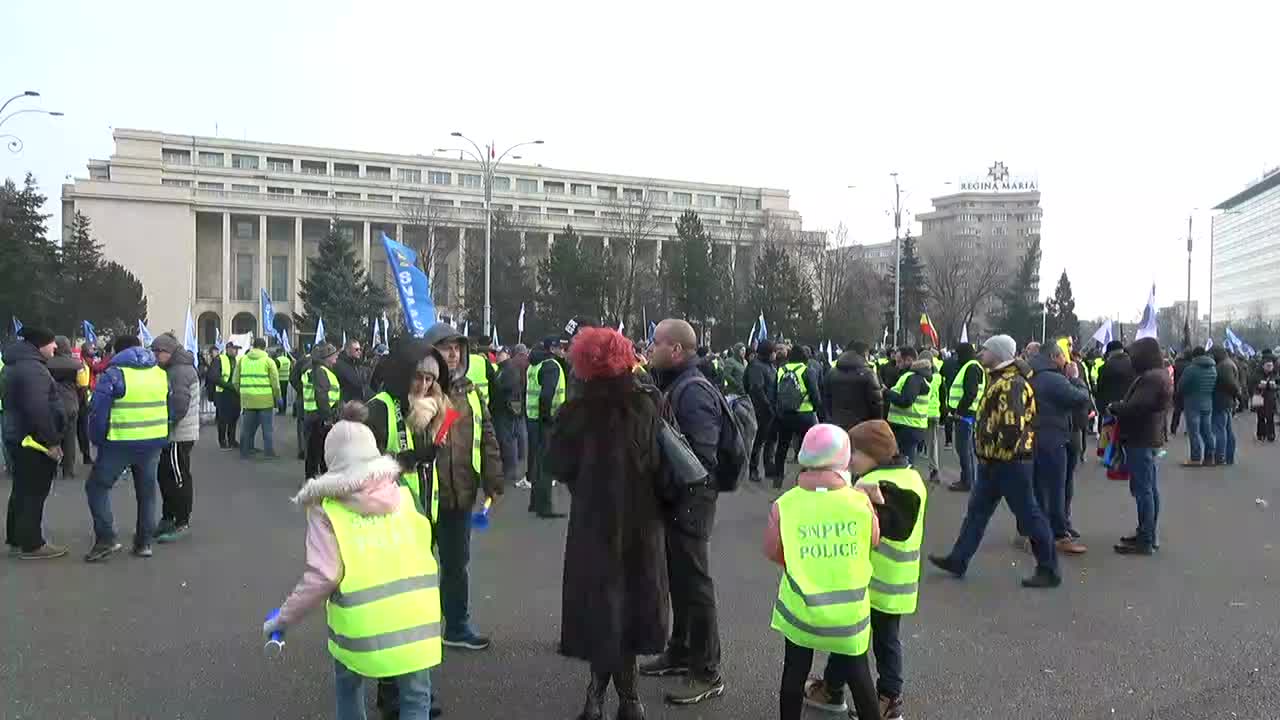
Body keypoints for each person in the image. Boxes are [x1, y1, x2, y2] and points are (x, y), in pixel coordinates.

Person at [266, 402, 441, 720]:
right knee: (417, 697)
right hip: (418, 619)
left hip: (359, 629)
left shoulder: (327, 508)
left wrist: (282, 620)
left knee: (348, 686)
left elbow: (324, 576)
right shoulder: (403, 495)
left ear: (330, 459)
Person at [549, 328, 668, 720]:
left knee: (601, 606)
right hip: (640, 520)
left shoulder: (575, 411)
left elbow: (560, 466)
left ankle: (595, 697)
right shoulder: (648, 404)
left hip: (593, 522)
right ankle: (629, 699)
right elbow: (659, 463)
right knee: (633, 602)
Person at [766, 423, 907, 720]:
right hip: (849, 616)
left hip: (800, 612)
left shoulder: (785, 505)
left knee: (793, 673)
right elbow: (873, 540)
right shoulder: (859, 502)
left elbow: (773, 551)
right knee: (860, 677)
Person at [799, 420, 925, 720]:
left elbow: (895, 525)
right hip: (889, 582)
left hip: (877, 582)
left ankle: (887, 699)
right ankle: (834, 687)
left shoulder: (883, 484)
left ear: (873, 454)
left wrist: (861, 498)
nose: (848, 459)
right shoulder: (910, 477)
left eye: (853, 453)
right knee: (858, 639)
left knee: (878, 642)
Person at [928, 335, 1061, 588]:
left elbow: (1012, 426)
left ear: (998, 353)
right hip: (995, 461)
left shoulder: (1011, 384)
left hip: (1009, 462)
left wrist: (995, 452)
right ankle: (959, 559)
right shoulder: (999, 379)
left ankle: (1049, 568)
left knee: (1029, 515)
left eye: (986, 349)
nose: (981, 352)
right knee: (976, 513)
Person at [365, 338, 451, 720]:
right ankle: (395, 696)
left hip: (421, 531)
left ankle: (412, 693)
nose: (425, 387)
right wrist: (405, 461)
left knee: (417, 616)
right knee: (393, 618)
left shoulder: (430, 411)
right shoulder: (378, 410)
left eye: (432, 380)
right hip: (386, 532)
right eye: (418, 378)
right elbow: (354, 473)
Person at [640, 319, 725, 706]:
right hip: (676, 500)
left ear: (676, 350)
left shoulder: (693, 392)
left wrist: (671, 486)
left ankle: (707, 671)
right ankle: (680, 650)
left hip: (691, 502)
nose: (649, 346)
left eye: (655, 342)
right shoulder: (673, 383)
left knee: (695, 584)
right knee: (678, 579)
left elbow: (700, 461)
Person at [423, 322, 503, 651]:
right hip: (424, 498)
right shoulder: (419, 389)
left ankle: (456, 627)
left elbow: (487, 436)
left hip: (461, 495)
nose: (453, 353)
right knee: (418, 568)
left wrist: (493, 479)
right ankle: (418, 630)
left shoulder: (470, 390)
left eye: (457, 347)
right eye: (445, 347)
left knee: (457, 565)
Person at [84, 335, 169, 561]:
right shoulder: (160, 373)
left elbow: (98, 413)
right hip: (153, 440)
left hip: (119, 441)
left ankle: (106, 539)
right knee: (147, 492)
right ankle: (144, 543)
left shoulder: (114, 374)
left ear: (117, 351)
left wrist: (98, 440)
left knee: (97, 487)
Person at [3, 326, 68, 559]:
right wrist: (51, 441)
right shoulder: (33, 369)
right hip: (33, 441)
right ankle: (32, 544)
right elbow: (38, 409)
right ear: (40, 344)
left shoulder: (18, 363)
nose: (56, 347)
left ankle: (17, 538)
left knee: (21, 489)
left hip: (18, 435)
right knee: (34, 491)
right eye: (52, 343)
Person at [1109, 337, 1173, 555]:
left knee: (1144, 490)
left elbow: (1136, 407)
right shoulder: (1158, 375)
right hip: (1148, 436)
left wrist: (1116, 407)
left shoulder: (1151, 378)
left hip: (1140, 438)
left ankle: (1146, 538)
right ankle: (1147, 534)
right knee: (1149, 488)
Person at [1029, 339, 1092, 554]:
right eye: (1062, 355)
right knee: (1057, 488)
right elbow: (1081, 399)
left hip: (1035, 437)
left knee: (1039, 488)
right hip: (1054, 438)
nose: (1065, 359)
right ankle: (1059, 535)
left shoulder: (1032, 373)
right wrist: (1076, 379)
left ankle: (1037, 532)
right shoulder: (1053, 379)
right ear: (1054, 357)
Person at [150, 333, 200, 543]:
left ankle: (181, 521)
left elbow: (179, 405)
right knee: (166, 476)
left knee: (178, 478)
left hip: (179, 434)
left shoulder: (179, 372)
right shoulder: (175, 369)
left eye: (157, 352)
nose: (154, 356)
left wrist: (167, 423)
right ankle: (168, 517)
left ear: (168, 352)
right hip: (175, 434)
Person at [771, 345, 824, 489]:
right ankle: (806, 478)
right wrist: (818, 409)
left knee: (782, 447)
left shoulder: (781, 370)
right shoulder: (807, 371)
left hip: (785, 415)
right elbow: (815, 395)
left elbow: (774, 394)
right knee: (808, 447)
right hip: (804, 415)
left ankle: (777, 480)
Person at [526, 336, 568, 515]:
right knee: (546, 464)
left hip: (532, 417)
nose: (562, 350)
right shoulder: (551, 365)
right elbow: (546, 395)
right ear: (552, 348)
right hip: (546, 420)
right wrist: (549, 418)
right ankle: (545, 507)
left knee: (537, 461)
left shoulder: (535, 363)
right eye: (560, 347)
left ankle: (534, 503)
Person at [945, 342, 985, 493]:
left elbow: (970, 392)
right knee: (965, 448)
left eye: (958, 354)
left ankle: (967, 481)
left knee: (963, 449)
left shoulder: (971, 368)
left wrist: (959, 411)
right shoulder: (973, 366)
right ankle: (968, 479)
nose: (956, 357)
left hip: (965, 415)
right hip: (968, 414)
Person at [884, 347, 932, 467]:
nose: (897, 365)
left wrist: (886, 392)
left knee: (905, 465)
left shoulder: (913, 377)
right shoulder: (916, 376)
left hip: (907, 427)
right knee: (906, 462)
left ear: (909, 360)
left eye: (899, 361)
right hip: (910, 426)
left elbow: (906, 401)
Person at [234, 337, 281, 458]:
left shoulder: (242, 360)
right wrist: (277, 397)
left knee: (247, 428)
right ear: (264, 347)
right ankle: (269, 453)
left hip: (247, 400)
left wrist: (242, 393)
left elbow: (235, 381)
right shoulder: (268, 361)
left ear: (253, 346)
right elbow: (275, 383)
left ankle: (245, 451)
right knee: (267, 429)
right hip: (265, 400)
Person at [823, 340, 884, 430]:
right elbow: (876, 403)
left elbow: (826, 399)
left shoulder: (832, 372)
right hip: (862, 426)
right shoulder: (868, 374)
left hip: (837, 425)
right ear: (863, 354)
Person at [493, 343, 530, 489]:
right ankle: (507, 468)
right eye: (497, 354)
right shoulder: (502, 369)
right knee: (505, 439)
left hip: (506, 410)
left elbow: (511, 388)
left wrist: (509, 404)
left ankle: (510, 470)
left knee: (508, 439)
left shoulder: (509, 369)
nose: (497, 356)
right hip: (502, 410)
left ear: (507, 354)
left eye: (500, 354)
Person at [303, 343, 341, 480]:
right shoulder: (321, 371)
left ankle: (313, 477)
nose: (336, 359)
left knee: (314, 449)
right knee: (320, 450)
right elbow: (322, 395)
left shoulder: (313, 369)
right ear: (327, 357)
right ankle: (318, 479)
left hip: (312, 414)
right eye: (334, 356)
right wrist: (327, 418)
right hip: (319, 415)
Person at [47, 336, 83, 479]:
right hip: (71, 404)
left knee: (52, 437)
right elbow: (82, 384)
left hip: (51, 404)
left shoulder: (46, 363)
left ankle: (52, 469)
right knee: (69, 438)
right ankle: (68, 470)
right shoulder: (77, 364)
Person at [744, 339, 778, 484]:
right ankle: (753, 469)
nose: (775, 354)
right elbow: (756, 389)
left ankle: (769, 468)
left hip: (772, 409)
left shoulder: (770, 366)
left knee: (771, 440)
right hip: (761, 410)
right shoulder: (756, 367)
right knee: (758, 441)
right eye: (774, 352)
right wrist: (767, 406)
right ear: (768, 353)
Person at [1176, 347, 1217, 466]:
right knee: (1207, 431)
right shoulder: (1213, 368)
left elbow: (1181, 386)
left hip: (1192, 403)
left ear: (1194, 357)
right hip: (1207, 402)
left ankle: (1195, 458)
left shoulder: (1191, 369)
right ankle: (1210, 457)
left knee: (1194, 432)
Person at [1095, 340, 1135, 458]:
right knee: (1128, 432)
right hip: (1130, 404)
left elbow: (1100, 390)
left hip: (1110, 407)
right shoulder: (1133, 364)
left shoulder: (1105, 367)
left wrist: (1101, 408)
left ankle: (1112, 456)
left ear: (1110, 353)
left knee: (1111, 434)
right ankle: (1127, 454)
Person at [1211, 346, 1243, 466]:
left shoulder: (1224, 366)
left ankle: (1220, 456)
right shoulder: (1229, 363)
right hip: (1227, 401)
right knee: (1227, 430)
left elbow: (1230, 384)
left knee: (1220, 430)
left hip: (1221, 400)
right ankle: (1228, 456)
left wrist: (1237, 394)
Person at [208, 340, 241, 448]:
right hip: (223, 393)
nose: (236, 351)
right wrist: (229, 386)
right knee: (223, 419)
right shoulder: (219, 359)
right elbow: (214, 377)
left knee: (234, 417)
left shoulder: (238, 360)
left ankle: (232, 440)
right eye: (234, 349)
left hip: (235, 393)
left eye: (237, 349)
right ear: (228, 349)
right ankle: (222, 441)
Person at [920, 349, 945, 484]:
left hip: (919, 412)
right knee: (933, 444)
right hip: (934, 412)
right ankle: (934, 470)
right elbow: (943, 394)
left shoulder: (918, 375)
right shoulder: (938, 376)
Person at [335, 339, 370, 404]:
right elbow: (355, 383)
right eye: (356, 350)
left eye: (360, 349)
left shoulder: (356, 364)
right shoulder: (340, 365)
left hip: (355, 402)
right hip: (346, 403)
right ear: (348, 350)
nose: (359, 352)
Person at [1254, 355, 1278, 442]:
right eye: (1268, 366)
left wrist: (1275, 386)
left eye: (1271, 366)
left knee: (1270, 416)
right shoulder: (1257, 374)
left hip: (1270, 397)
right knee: (1260, 416)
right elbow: (1252, 384)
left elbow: (1277, 384)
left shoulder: (1274, 374)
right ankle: (1261, 434)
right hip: (1259, 396)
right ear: (1263, 366)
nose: (1269, 368)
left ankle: (1271, 434)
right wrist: (1258, 386)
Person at [1170, 349, 1191, 435]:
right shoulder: (1191, 366)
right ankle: (1188, 429)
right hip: (1188, 391)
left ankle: (1173, 428)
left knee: (1177, 411)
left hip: (1177, 390)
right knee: (1188, 412)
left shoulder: (1176, 365)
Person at [274, 346, 293, 415]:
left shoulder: (278, 360)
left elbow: (274, 370)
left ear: (278, 353)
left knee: (279, 395)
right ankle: (284, 409)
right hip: (286, 379)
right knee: (284, 395)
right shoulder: (287, 360)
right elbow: (290, 368)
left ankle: (281, 410)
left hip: (279, 379)